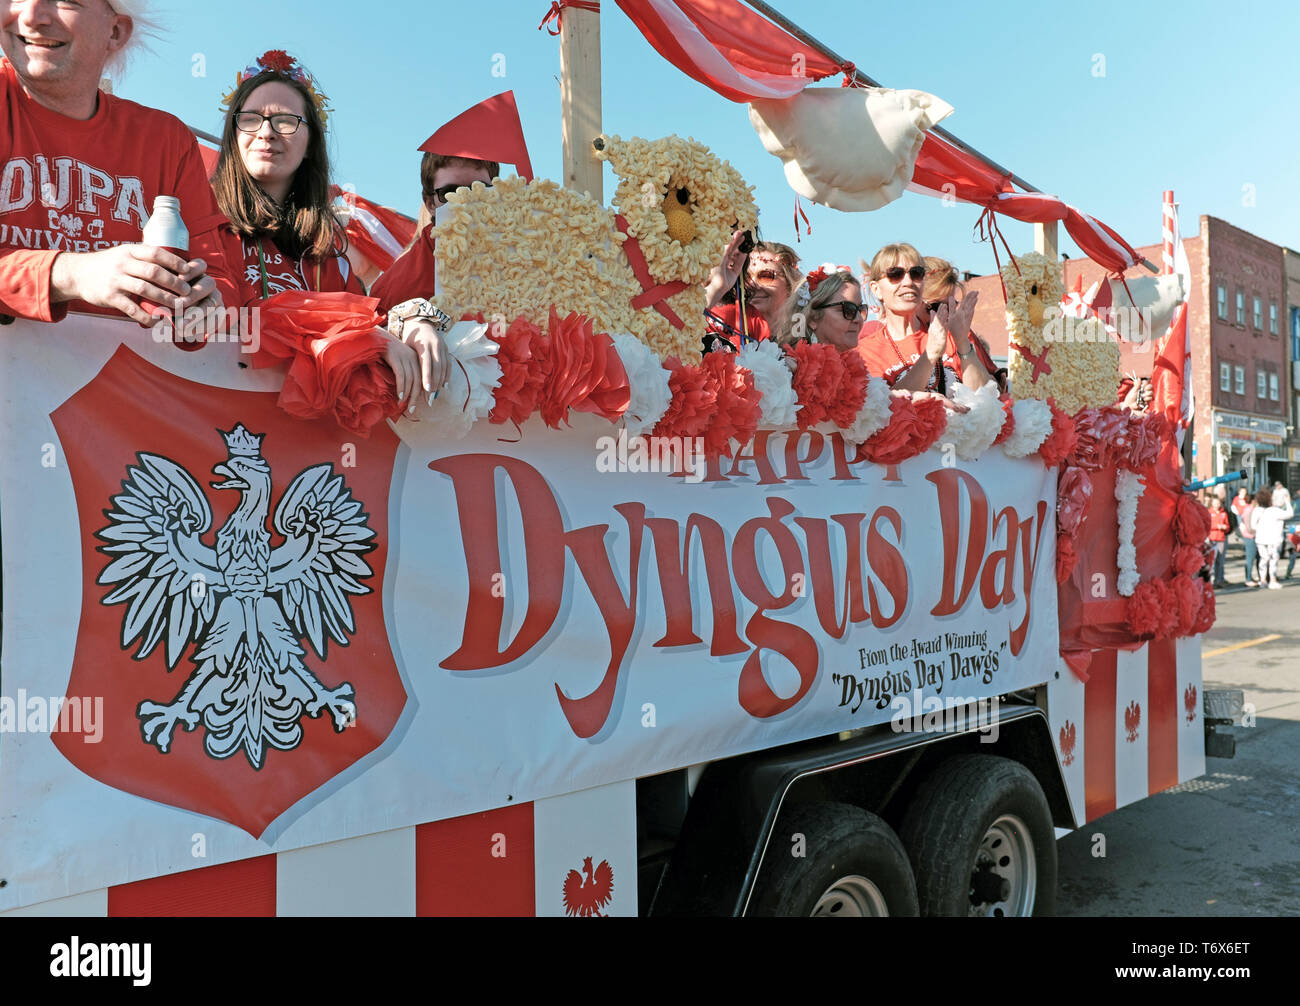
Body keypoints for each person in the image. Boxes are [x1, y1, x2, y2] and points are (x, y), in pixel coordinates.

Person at [211, 51, 445, 406]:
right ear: (233, 133)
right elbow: (239, 317)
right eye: (251, 119)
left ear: (309, 145)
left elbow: (373, 316)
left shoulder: (328, 252)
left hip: (306, 449)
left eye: (286, 121)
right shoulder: (201, 222)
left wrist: (410, 322)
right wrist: (364, 335)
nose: (267, 133)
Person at [0, 0, 232, 329]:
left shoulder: (168, 141)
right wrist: (70, 274)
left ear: (116, 31)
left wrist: (200, 308)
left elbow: (219, 281)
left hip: (132, 376)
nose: (32, 17)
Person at [368, 90, 531, 317]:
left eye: (480, 190)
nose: (466, 202)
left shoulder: (525, 259)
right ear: (430, 203)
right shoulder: (394, 290)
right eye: (451, 192)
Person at [855, 243, 987, 393]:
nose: (908, 282)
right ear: (876, 289)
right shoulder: (864, 354)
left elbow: (986, 400)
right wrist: (929, 356)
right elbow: (880, 409)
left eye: (916, 273)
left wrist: (963, 343)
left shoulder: (951, 334)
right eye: (895, 274)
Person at [917, 257, 1002, 392]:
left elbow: (989, 391)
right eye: (935, 306)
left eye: (951, 306)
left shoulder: (961, 332)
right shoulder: (897, 337)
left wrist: (962, 342)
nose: (943, 314)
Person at [705, 236, 800, 348]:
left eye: (765, 276)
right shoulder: (714, 319)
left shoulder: (805, 326)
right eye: (745, 276)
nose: (752, 284)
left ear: (789, 283)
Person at [1250, 487, 1293, 590]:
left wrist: (1260, 530)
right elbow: (1290, 514)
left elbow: (1252, 526)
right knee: (1273, 559)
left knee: (1263, 559)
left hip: (1261, 539)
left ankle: (1263, 580)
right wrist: (1287, 502)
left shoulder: (1256, 510)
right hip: (1274, 539)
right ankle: (1272, 580)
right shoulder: (1274, 511)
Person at [1232, 487, 1258, 586]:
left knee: (1253, 557)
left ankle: (1251, 577)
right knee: (1250, 558)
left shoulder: (1250, 509)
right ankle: (1248, 579)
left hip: (1250, 534)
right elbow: (1247, 525)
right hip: (1250, 535)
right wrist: (1254, 532)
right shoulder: (1248, 510)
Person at [1207, 496, 1230, 587]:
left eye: (1218, 503)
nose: (1217, 505)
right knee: (1211, 560)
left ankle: (1219, 579)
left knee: (1220, 560)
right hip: (1212, 538)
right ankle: (1210, 580)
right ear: (1212, 504)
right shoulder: (1209, 512)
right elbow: (1208, 525)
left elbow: (1227, 526)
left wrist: (1225, 528)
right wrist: (1217, 526)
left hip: (1221, 538)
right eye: (1215, 503)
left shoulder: (1223, 513)